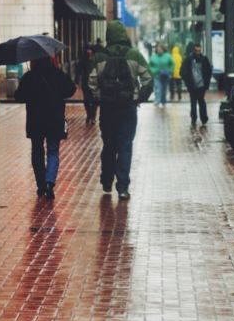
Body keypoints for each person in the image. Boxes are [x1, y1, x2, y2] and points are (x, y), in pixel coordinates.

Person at [88, 21, 153, 200]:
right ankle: (123, 187)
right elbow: (148, 79)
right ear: (124, 35)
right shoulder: (134, 55)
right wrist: (139, 98)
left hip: (107, 108)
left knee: (109, 145)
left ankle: (106, 181)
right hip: (128, 108)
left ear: (108, 36)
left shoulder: (99, 58)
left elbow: (90, 83)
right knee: (125, 146)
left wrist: (98, 98)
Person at [14, 56, 76, 199]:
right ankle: (49, 182)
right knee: (53, 151)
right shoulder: (58, 74)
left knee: (37, 151)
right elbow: (71, 89)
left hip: (36, 121)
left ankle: (40, 185)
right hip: (54, 119)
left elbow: (19, 96)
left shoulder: (29, 76)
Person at [180, 43, 212, 126]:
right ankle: (194, 118)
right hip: (192, 85)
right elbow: (183, 72)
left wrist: (206, 84)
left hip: (201, 85)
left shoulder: (204, 59)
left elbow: (208, 72)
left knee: (201, 101)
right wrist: (188, 83)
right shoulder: (188, 60)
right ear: (193, 50)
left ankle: (203, 118)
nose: (198, 52)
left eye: (199, 50)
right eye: (196, 51)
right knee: (193, 102)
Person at [75, 44, 98, 124]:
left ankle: (93, 116)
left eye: (90, 49)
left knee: (94, 100)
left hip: (95, 82)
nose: (89, 51)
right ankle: (89, 115)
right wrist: (77, 81)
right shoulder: (83, 59)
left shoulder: (96, 59)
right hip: (85, 82)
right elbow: (78, 70)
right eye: (87, 49)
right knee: (86, 100)